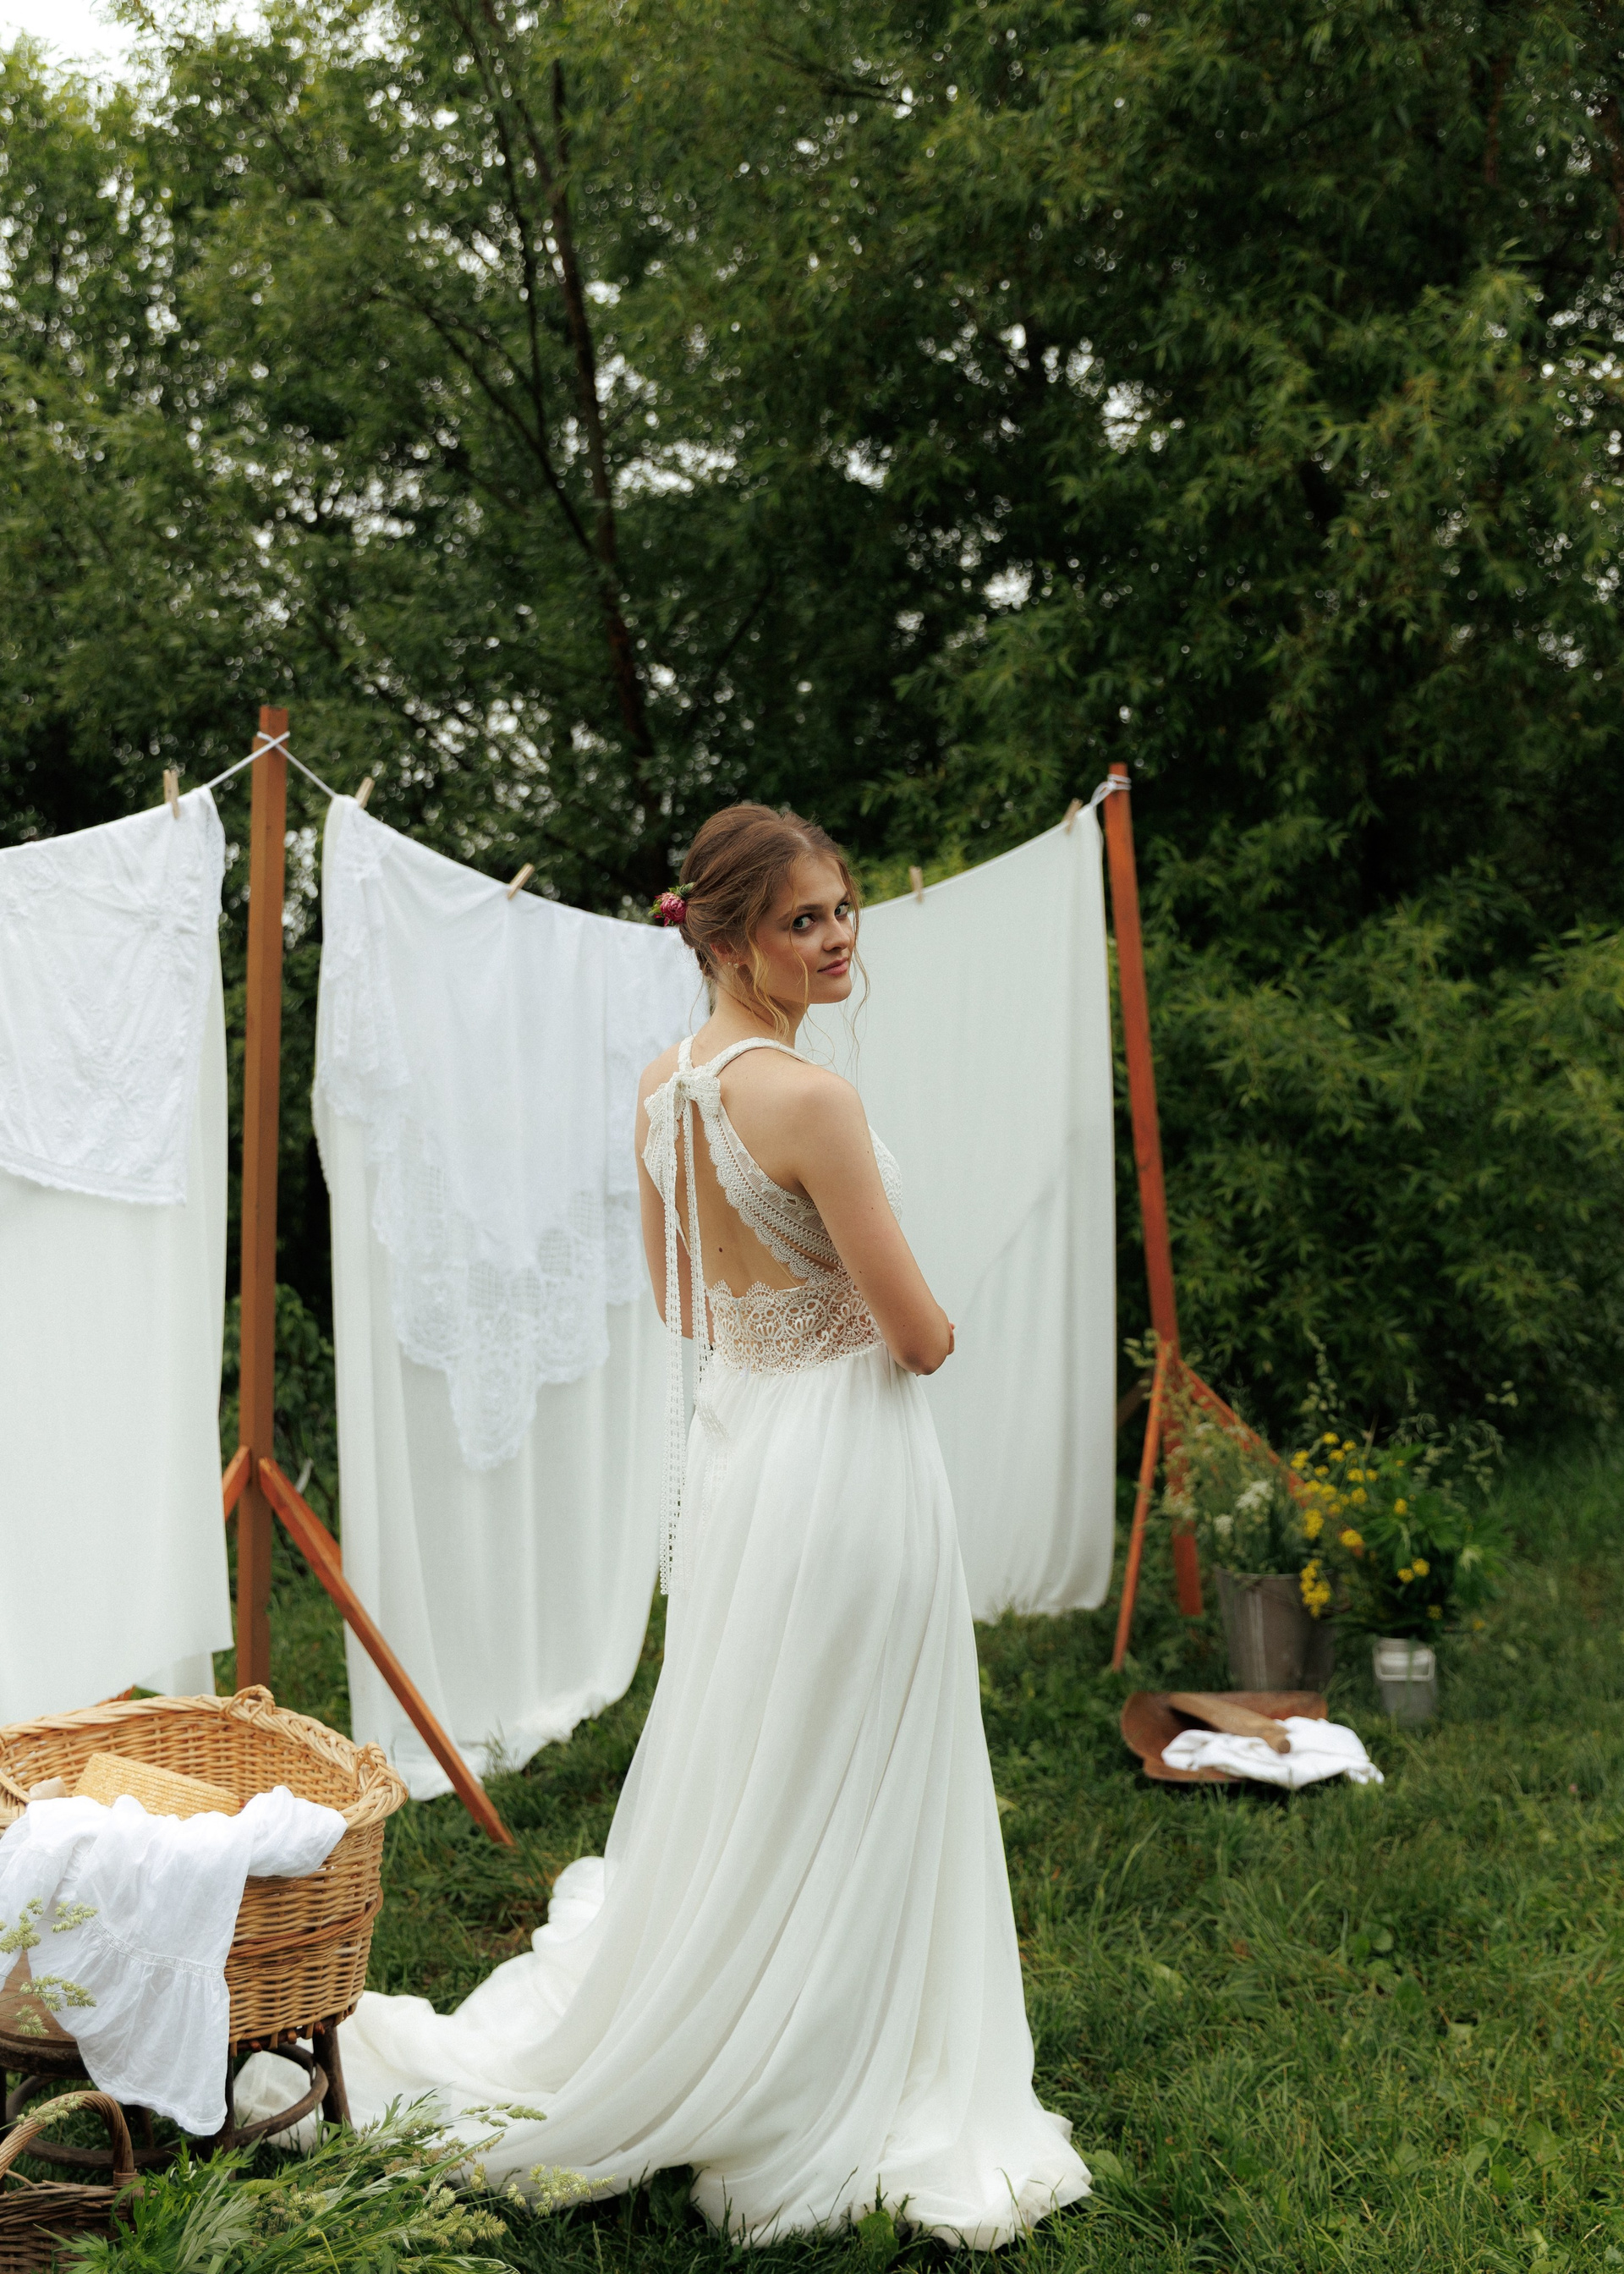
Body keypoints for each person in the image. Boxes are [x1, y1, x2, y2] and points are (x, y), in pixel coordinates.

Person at [336, 804, 1089, 2246]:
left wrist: (785, 1313)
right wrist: (912, 1317)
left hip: (743, 1452)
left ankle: (757, 2001)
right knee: (854, 1752)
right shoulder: (813, 1102)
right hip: (847, 1457)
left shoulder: (662, 1090)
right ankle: (825, 2055)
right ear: (731, 942)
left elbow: (684, 1300)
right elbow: (918, 1338)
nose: (840, 937)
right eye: (806, 920)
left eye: (845, 908)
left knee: (767, 1745)